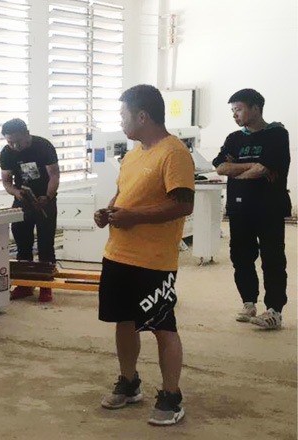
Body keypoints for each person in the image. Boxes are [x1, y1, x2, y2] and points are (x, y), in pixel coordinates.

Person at [94, 85, 195, 426]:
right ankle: (129, 382)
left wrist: (134, 216)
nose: (120, 122)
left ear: (141, 116)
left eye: (123, 115)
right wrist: (109, 211)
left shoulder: (174, 153)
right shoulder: (134, 155)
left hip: (153, 261)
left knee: (162, 327)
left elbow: (183, 204)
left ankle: (171, 395)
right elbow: (123, 194)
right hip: (118, 255)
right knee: (123, 321)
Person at [212, 89, 290, 330]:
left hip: (269, 208)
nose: (234, 115)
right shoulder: (234, 138)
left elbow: (263, 169)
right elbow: (220, 167)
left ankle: (274, 310)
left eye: (239, 109)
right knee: (241, 257)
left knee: (272, 259)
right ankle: (249, 303)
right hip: (239, 209)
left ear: (256, 108)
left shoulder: (277, 134)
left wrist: (237, 168)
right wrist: (251, 167)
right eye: (232, 110)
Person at [0, 118, 60, 302]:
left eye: (18, 141)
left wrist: (47, 197)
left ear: (27, 134)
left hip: (45, 198)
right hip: (23, 200)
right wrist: (16, 192)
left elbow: (54, 175)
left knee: (46, 244)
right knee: (22, 242)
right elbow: (7, 182)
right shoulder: (7, 153)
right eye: (10, 142)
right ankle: (25, 285)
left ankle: (46, 286)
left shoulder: (43, 147)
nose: (15, 146)